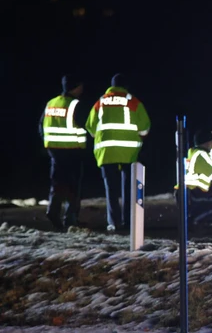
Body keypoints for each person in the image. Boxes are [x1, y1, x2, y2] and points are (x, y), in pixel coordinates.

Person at [85, 74, 150, 232]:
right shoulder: (133, 101)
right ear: (126, 87)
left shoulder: (100, 102)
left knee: (111, 189)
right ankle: (129, 221)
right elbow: (145, 128)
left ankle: (114, 222)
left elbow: (91, 128)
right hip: (129, 151)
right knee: (129, 188)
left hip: (106, 151)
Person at [39, 75, 88, 230]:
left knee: (57, 182)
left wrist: (48, 143)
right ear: (76, 87)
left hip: (54, 150)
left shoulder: (51, 103)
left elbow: (41, 125)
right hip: (72, 150)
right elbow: (85, 125)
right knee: (73, 185)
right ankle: (70, 218)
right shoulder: (75, 104)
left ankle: (53, 211)